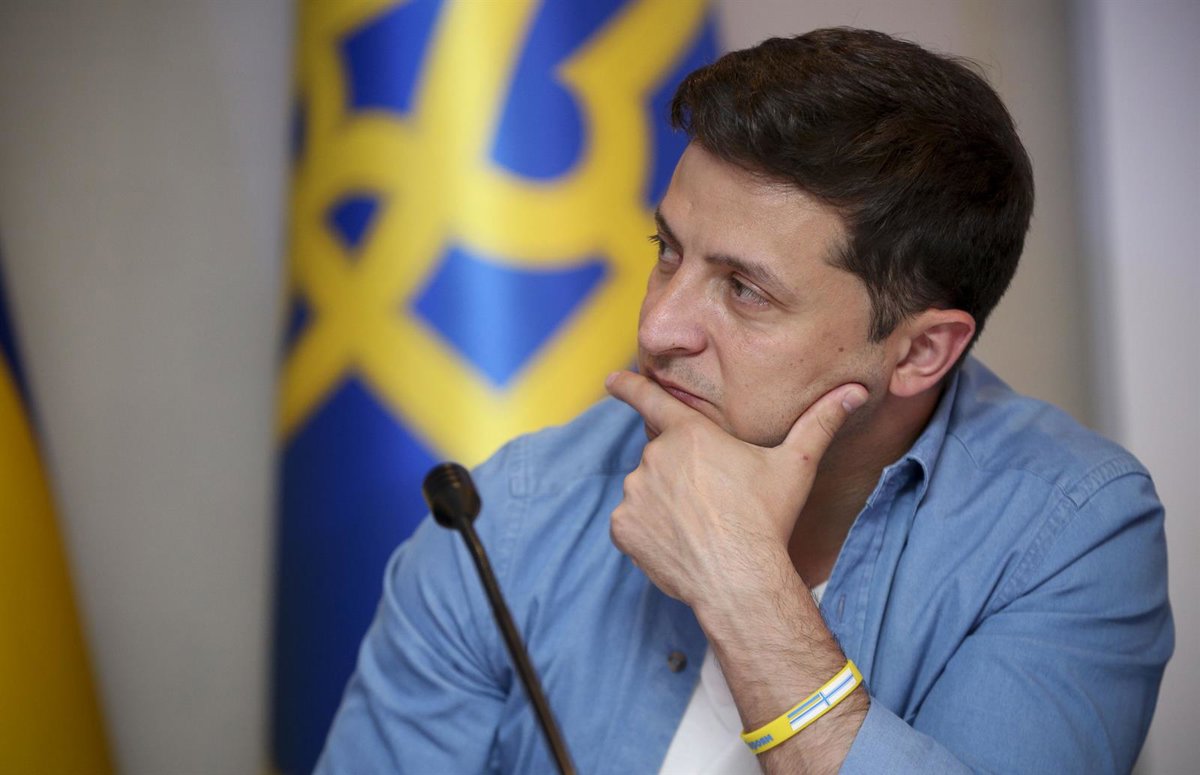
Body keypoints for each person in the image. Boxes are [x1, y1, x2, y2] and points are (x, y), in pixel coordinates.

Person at [317, 28, 1172, 774]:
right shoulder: (505, 514)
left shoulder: (1070, 533)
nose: (658, 327)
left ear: (919, 351)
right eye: (667, 250)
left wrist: (743, 583)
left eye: (744, 291)